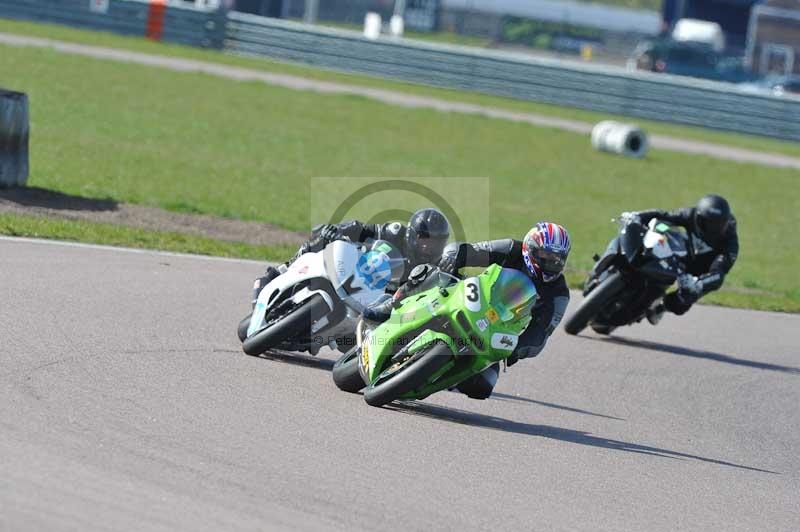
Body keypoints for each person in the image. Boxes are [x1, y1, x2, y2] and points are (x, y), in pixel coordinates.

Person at [364, 222, 572, 400]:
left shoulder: (559, 293)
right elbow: (470, 250)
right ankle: (392, 304)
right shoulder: (511, 249)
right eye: (546, 255)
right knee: (432, 275)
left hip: (497, 328)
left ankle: (437, 374)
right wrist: (453, 258)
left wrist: (517, 348)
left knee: (483, 386)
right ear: (530, 248)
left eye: (558, 258)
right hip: (473, 299)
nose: (551, 262)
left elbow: (540, 334)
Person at [251, 208, 451, 305]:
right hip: (358, 274)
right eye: (425, 238)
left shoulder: (437, 268)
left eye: (435, 241)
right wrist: (336, 230)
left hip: (381, 306)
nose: (428, 245)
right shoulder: (395, 232)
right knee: (322, 240)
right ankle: (280, 271)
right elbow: (360, 229)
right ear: (413, 234)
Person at [622, 194, 738, 324]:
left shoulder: (730, 243)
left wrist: (698, 283)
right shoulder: (690, 214)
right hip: (683, 253)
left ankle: (661, 307)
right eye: (709, 224)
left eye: (720, 225)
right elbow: (664, 215)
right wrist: (638, 216)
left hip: (701, 271)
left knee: (685, 300)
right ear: (699, 218)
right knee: (663, 226)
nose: (715, 229)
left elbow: (718, 274)